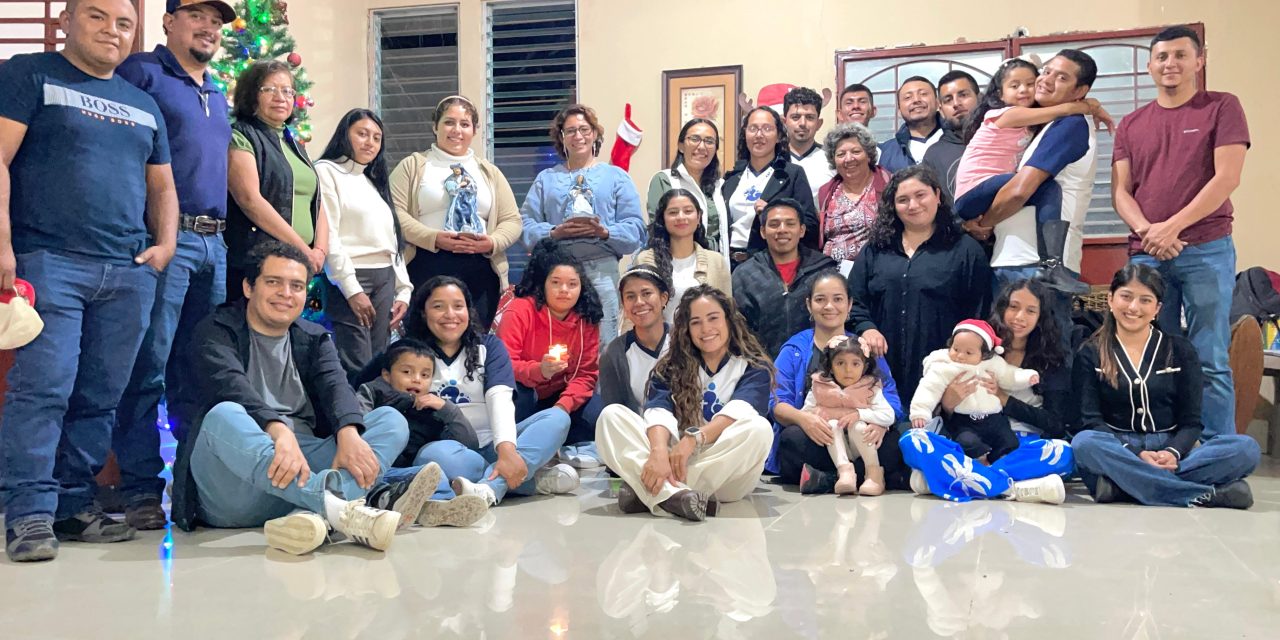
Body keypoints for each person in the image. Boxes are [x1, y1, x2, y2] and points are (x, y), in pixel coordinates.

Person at [0, 0, 179, 562]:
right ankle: (27, 513)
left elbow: (163, 189)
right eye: (97, 16)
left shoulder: (143, 103)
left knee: (101, 395)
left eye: (123, 23)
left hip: (128, 272)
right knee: (44, 388)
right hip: (49, 261)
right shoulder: (29, 74)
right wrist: (3, 245)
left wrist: (165, 247)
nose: (112, 30)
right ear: (67, 22)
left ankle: (73, 505)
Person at [171, 241, 443, 555]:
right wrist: (278, 430)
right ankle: (341, 507)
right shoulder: (215, 331)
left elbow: (336, 387)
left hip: (298, 471)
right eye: (274, 282)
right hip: (235, 485)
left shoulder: (314, 337)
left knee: (389, 420)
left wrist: (348, 432)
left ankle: (312, 515)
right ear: (248, 287)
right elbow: (230, 386)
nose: (286, 293)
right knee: (223, 415)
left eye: (297, 285)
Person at [111, 0, 235, 531]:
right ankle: (141, 488)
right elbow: (117, 153)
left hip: (217, 246)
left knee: (200, 368)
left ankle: (194, 482)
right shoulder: (142, 73)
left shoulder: (217, 92)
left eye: (216, 21)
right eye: (197, 16)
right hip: (166, 241)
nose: (208, 28)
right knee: (149, 367)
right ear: (168, 22)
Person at [1114, 26, 1250, 441]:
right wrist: (1147, 231)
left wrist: (1171, 227)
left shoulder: (1222, 107)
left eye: (1179, 55)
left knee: (1209, 356)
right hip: (1146, 253)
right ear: (1151, 65)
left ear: (1198, 60)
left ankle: (1218, 450)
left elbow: (1227, 178)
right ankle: (1165, 444)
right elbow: (1121, 191)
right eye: (1161, 57)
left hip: (1206, 248)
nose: (1169, 64)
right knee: (1152, 355)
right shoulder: (1132, 123)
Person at [1071, 264, 1260, 508]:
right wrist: (1134, 453)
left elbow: (1191, 422)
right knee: (1084, 444)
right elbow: (1090, 420)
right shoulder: (1090, 352)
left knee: (1246, 449)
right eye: (1126, 297)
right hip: (1118, 447)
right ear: (1110, 299)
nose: (1133, 308)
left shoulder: (1180, 350)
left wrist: (1172, 452)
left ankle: (1123, 487)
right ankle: (1198, 494)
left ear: (1157, 308)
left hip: (1169, 450)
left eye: (1145, 300)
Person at [595, 285, 775, 521]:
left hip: (726, 472)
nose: (706, 329)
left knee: (759, 429)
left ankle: (655, 491)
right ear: (686, 329)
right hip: (673, 461)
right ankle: (680, 498)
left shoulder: (753, 366)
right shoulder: (672, 365)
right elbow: (658, 410)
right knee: (612, 416)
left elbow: (738, 410)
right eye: (696, 322)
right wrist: (659, 452)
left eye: (713, 318)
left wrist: (694, 438)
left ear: (729, 321)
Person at [962, 50, 1102, 350]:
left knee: (1044, 361)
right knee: (1011, 360)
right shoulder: (1040, 123)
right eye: (1047, 71)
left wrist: (984, 224)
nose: (1046, 80)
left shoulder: (1069, 124)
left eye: (1061, 77)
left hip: (1038, 265)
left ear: (1079, 91)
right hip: (1017, 259)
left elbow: (1020, 190)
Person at [397, 276, 579, 506]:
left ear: (469, 311)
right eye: (438, 307)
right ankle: (529, 480)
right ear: (423, 312)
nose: (450, 315)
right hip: (455, 451)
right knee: (432, 459)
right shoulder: (408, 352)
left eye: (458, 306)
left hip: (497, 444)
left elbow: (499, 398)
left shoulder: (489, 346)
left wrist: (506, 450)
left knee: (557, 418)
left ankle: (490, 488)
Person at [899, 278, 1075, 504]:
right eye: (1013, 307)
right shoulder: (973, 346)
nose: (1020, 317)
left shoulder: (1051, 360)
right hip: (966, 440)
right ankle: (1012, 488)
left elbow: (1056, 423)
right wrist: (949, 404)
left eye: (1030, 311)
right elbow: (936, 394)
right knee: (912, 440)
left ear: (1041, 317)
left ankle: (957, 478)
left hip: (1019, 445)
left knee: (1064, 453)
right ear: (1002, 308)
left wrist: (1005, 400)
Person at [849, 165, 993, 408]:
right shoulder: (876, 248)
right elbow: (853, 300)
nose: (913, 205)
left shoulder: (965, 250)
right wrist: (867, 328)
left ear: (937, 195)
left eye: (920, 195)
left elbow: (979, 312)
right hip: (882, 372)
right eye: (903, 200)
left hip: (944, 374)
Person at [390, 95, 523, 329]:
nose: (457, 130)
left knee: (474, 343)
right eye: (449, 122)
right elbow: (394, 212)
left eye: (465, 124)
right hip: (426, 263)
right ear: (435, 126)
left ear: (474, 130)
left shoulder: (489, 172)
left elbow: (512, 220)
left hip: (480, 268)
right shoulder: (413, 165)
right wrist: (433, 238)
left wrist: (491, 243)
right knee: (424, 343)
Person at [521, 103, 647, 349]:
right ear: (562, 137)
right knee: (558, 345)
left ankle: (601, 390)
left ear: (595, 134)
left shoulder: (616, 177)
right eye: (570, 131)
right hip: (556, 276)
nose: (578, 136)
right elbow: (524, 225)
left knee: (603, 347)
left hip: (602, 273)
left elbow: (636, 230)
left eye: (584, 129)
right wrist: (554, 233)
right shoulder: (546, 179)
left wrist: (605, 232)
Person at [769, 270, 907, 488]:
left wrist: (880, 424)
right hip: (822, 436)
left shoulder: (864, 349)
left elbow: (893, 404)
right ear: (808, 305)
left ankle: (826, 479)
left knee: (897, 442)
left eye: (838, 299)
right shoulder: (794, 349)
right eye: (820, 299)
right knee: (791, 440)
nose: (829, 306)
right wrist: (804, 419)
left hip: (861, 434)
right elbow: (776, 404)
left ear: (850, 305)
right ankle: (855, 475)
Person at [354, 339, 490, 528]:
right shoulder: (372, 392)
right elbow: (359, 426)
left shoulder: (433, 406)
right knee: (380, 484)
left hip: (406, 471)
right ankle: (411, 504)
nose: (416, 379)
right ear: (386, 374)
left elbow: (468, 444)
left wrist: (447, 409)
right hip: (372, 471)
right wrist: (405, 400)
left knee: (434, 474)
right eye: (406, 372)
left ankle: (437, 507)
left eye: (425, 375)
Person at [315, 109, 411, 375]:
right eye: (362, 134)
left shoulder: (373, 181)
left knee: (379, 362)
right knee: (355, 362)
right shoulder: (327, 171)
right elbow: (329, 234)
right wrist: (351, 289)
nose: (370, 142)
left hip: (385, 278)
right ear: (345, 134)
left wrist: (404, 289)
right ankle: (353, 417)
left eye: (377, 138)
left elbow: (392, 239)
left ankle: (378, 416)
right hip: (351, 276)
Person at [494, 239, 603, 469]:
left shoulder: (587, 317)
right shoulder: (521, 310)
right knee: (520, 395)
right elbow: (503, 366)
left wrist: (561, 408)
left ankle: (558, 444)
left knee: (598, 414)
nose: (564, 290)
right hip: (525, 392)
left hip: (559, 397)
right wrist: (538, 370)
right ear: (543, 285)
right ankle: (519, 448)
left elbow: (586, 374)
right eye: (556, 283)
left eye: (572, 284)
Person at [225, 60, 326, 302]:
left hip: (299, 262)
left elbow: (317, 201)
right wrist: (302, 250)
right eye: (270, 89)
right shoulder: (241, 135)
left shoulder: (294, 143)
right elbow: (250, 200)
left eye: (287, 91)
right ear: (251, 95)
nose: (281, 97)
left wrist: (320, 251)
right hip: (261, 260)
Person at [908, 319, 1039, 463]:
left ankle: (1002, 463)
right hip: (963, 420)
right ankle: (978, 462)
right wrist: (920, 411)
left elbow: (1009, 375)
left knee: (1008, 441)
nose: (960, 356)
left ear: (984, 354)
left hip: (994, 419)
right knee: (967, 442)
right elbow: (928, 388)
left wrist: (1027, 377)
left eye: (969, 352)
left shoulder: (992, 364)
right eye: (956, 349)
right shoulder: (944, 367)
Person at [731, 199, 836, 357]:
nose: (782, 230)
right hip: (762, 370)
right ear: (763, 232)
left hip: (818, 368)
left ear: (801, 230)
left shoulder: (825, 271)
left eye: (790, 224)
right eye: (774, 224)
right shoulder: (744, 275)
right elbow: (738, 331)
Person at [721, 106, 818, 266]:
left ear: (779, 136)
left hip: (770, 263)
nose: (759, 135)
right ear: (745, 134)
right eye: (753, 128)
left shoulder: (792, 174)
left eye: (767, 128)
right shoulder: (731, 178)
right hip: (728, 263)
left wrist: (774, 212)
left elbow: (810, 226)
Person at [801, 335, 896, 495]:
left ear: (864, 366)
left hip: (861, 443)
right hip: (834, 445)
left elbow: (888, 415)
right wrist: (820, 415)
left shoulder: (870, 388)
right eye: (840, 363)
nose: (848, 370)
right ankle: (845, 472)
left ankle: (873, 473)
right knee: (831, 425)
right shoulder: (820, 386)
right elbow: (806, 413)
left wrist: (859, 414)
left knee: (858, 426)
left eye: (855, 363)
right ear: (830, 366)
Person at [625, 189, 732, 324]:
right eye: (673, 212)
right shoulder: (646, 259)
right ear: (663, 219)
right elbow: (634, 311)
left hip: (703, 341)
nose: (681, 217)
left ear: (698, 217)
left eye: (688, 211)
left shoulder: (716, 261)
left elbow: (728, 314)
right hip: (659, 343)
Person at [645, 118, 729, 258]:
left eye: (709, 141)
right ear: (681, 146)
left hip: (715, 265)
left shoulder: (720, 186)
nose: (702, 147)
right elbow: (657, 228)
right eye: (695, 139)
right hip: (675, 264)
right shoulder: (664, 180)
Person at [815, 122, 892, 267]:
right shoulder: (825, 192)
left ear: (868, 155)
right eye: (841, 154)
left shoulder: (889, 185)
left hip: (876, 270)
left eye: (856, 152)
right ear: (834, 160)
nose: (849, 159)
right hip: (833, 274)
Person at [599, 266, 671, 413]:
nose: (639, 302)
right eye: (630, 296)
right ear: (623, 305)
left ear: (664, 298)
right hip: (640, 431)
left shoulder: (686, 339)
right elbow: (615, 412)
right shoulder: (613, 354)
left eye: (646, 293)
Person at [922, 70, 979, 201]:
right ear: (941, 109)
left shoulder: (1001, 135)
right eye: (948, 100)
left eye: (963, 95)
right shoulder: (934, 155)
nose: (956, 103)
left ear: (979, 98)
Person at [877, 76, 943, 173]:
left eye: (923, 94)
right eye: (908, 97)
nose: (916, 100)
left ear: (938, 103)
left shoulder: (959, 140)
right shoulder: (885, 153)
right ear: (899, 111)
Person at [783, 87, 835, 203]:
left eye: (810, 117)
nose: (802, 123)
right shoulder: (772, 159)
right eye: (795, 117)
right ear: (784, 121)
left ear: (819, 124)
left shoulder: (832, 159)